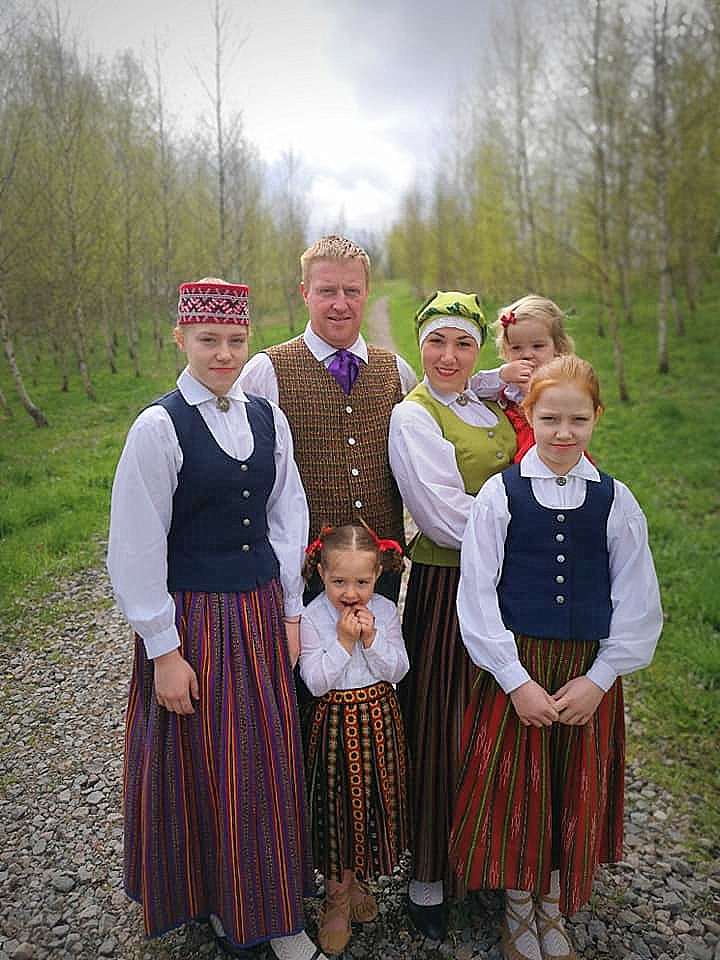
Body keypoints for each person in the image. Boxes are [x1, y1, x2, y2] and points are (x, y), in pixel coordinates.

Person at [107, 278, 328, 960]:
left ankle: (270, 905)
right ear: (181, 339)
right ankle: (227, 902)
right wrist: (163, 649)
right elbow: (136, 543)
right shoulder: (159, 426)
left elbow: (289, 515)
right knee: (209, 764)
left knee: (266, 760)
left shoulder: (267, 417)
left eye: (236, 340)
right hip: (197, 621)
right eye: (209, 340)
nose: (224, 354)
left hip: (261, 612)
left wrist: (291, 608)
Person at [449, 354, 663, 960]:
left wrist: (600, 678)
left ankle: (552, 903)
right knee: (518, 787)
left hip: (583, 673)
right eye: (549, 419)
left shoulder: (616, 501)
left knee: (571, 786)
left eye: (577, 420)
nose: (563, 433)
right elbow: (477, 595)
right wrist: (514, 680)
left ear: (596, 417)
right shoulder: (501, 494)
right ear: (528, 415)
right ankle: (517, 908)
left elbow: (637, 598)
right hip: (518, 668)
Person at [388, 290, 518, 941]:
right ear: (420, 346)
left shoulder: (482, 400)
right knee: (443, 726)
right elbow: (441, 514)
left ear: (478, 350)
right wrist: (529, 527)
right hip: (447, 586)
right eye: (437, 342)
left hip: (500, 587)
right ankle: (428, 879)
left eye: (463, 342)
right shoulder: (412, 417)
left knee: (493, 725)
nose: (448, 356)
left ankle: (484, 858)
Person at [238, 234, 417, 604]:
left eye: (351, 291)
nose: (340, 304)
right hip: (301, 572)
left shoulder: (396, 372)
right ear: (305, 292)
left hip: (380, 570)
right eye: (326, 291)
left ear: (367, 291)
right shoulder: (267, 371)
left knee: (383, 659)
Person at [298, 522, 410, 955]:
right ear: (321, 574)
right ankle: (336, 898)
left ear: (378, 575)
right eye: (339, 581)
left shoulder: (383, 610)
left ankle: (359, 880)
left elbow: (398, 669)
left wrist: (373, 639)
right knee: (335, 810)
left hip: (379, 719)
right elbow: (313, 682)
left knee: (370, 806)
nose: (350, 592)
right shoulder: (313, 617)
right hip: (333, 726)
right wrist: (344, 642)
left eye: (361, 582)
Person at [492, 294, 575, 462]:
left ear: (557, 347)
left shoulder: (562, 378)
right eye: (516, 348)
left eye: (537, 346)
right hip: (510, 448)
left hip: (550, 448)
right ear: (506, 351)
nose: (527, 355)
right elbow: (474, 387)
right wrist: (502, 375)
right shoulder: (510, 379)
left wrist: (531, 394)